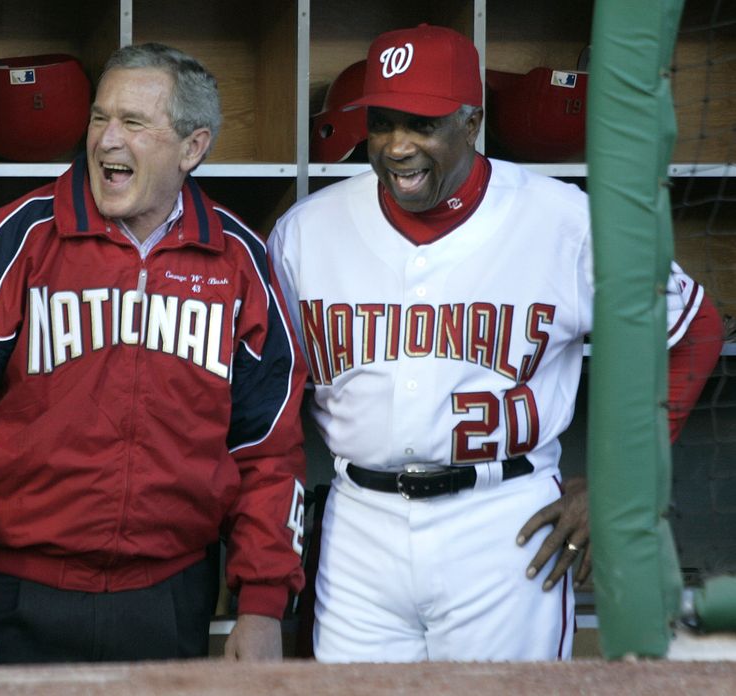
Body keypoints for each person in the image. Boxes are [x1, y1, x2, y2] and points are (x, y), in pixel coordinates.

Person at [268, 24, 722, 662]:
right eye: (381, 123)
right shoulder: (303, 233)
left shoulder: (563, 220)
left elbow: (695, 329)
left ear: (471, 121)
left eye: (422, 125)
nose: (397, 147)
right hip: (357, 523)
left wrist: (626, 483)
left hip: (505, 522)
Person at [0, 42, 308, 666]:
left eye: (134, 124)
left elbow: (268, 453)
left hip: (168, 600)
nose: (107, 140)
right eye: (99, 118)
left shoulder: (240, 263)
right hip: (9, 596)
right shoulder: (12, 244)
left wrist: (262, 607)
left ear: (193, 147)